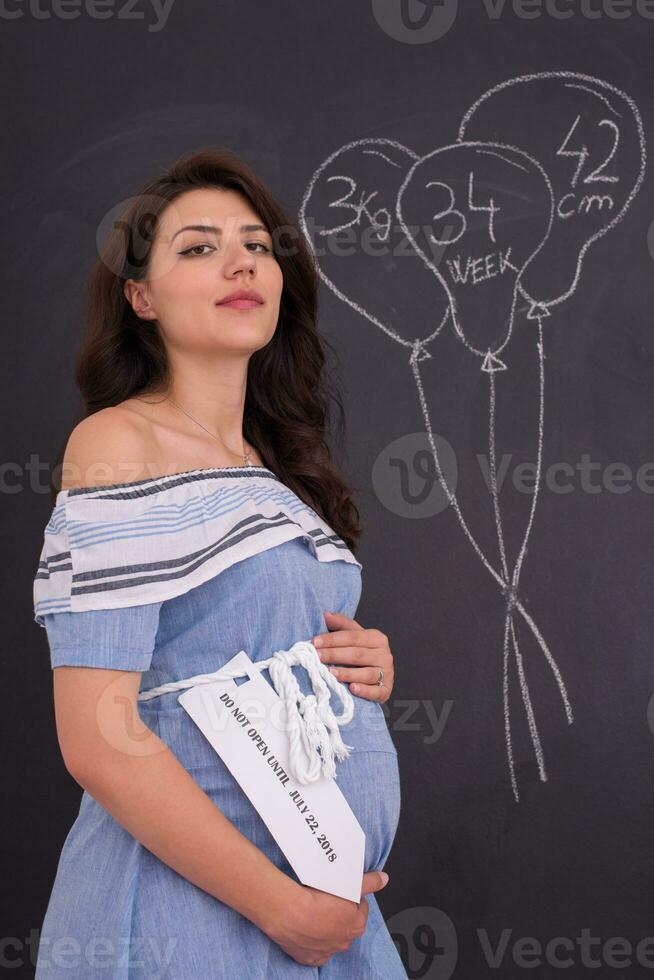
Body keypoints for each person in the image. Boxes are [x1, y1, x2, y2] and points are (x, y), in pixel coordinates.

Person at [32, 148, 407, 978]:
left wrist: (357, 665)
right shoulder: (118, 444)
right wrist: (282, 908)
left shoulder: (274, 469)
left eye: (259, 245)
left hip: (322, 912)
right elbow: (97, 736)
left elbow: (241, 636)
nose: (241, 262)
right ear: (141, 296)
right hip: (196, 915)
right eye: (197, 248)